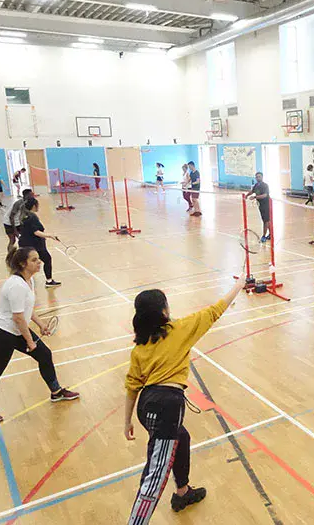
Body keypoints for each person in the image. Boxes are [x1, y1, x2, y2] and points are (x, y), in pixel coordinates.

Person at [124, 272, 245, 522]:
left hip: (147, 405)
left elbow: (132, 386)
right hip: (166, 405)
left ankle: (182, 492)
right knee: (155, 476)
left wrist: (127, 421)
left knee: (182, 437)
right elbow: (215, 310)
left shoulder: (140, 346)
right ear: (164, 312)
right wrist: (239, 285)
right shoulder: (180, 329)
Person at [0, 247, 79, 424]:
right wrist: (30, 341)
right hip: (1, 334)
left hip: (16, 330)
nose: (39, 262)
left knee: (45, 355)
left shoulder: (28, 282)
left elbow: (26, 309)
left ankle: (56, 392)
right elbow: (17, 317)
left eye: (38, 259)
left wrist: (41, 324)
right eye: (34, 260)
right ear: (23, 264)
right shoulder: (16, 285)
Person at [18, 197, 61, 287]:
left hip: (24, 243)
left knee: (26, 263)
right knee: (47, 259)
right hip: (34, 245)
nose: (38, 207)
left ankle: (24, 280)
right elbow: (36, 232)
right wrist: (50, 236)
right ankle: (49, 281)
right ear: (34, 206)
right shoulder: (32, 217)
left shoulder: (24, 215)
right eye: (37, 205)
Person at [246, 172, 271, 242]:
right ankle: (271, 234)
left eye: (259, 177)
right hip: (260, 205)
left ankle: (264, 236)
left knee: (266, 221)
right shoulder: (256, 185)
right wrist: (247, 195)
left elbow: (265, 195)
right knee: (266, 220)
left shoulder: (265, 185)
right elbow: (252, 191)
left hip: (266, 205)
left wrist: (255, 197)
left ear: (262, 177)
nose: (258, 178)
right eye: (256, 177)